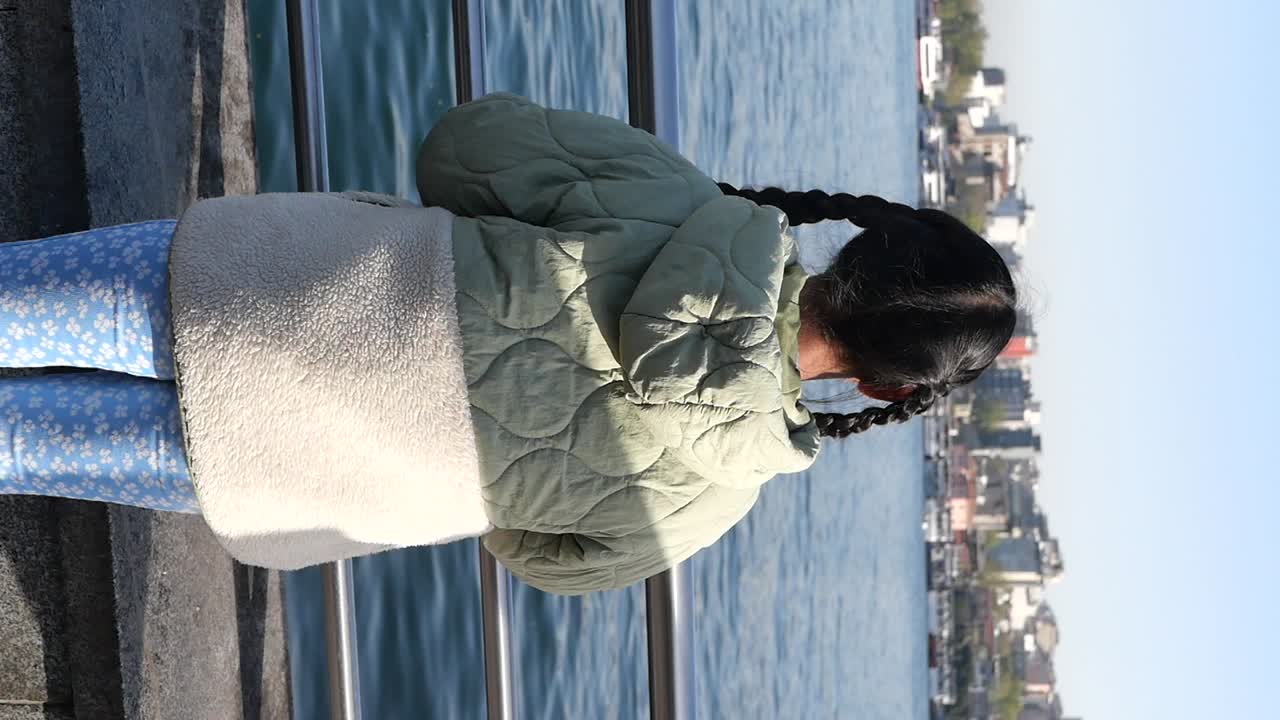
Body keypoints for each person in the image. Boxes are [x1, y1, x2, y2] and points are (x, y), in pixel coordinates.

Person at [0, 93, 1015, 594]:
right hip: (282, 462)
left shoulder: (684, 208)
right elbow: (534, 559)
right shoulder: (707, 503)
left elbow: (463, 148)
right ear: (885, 388)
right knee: (17, 443)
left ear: (869, 244)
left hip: (266, 284)